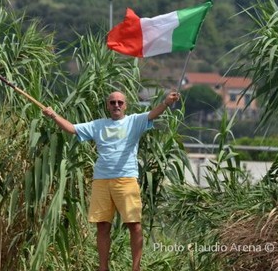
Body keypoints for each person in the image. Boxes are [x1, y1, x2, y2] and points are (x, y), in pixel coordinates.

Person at [43, 90, 180, 271]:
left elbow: (153, 113)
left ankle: (136, 268)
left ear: (126, 105)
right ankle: (103, 267)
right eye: (113, 102)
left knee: (135, 225)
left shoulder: (134, 121)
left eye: (120, 102)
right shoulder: (97, 125)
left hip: (126, 179)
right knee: (102, 226)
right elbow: (72, 128)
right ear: (107, 106)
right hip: (102, 181)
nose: (116, 105)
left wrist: (166, 103)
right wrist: (53, 115)